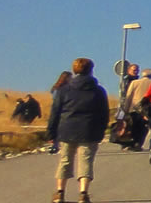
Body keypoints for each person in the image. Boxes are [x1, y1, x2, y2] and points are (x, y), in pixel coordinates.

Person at [47, 58, 109, 203]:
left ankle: (60, 193)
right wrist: (101, 131)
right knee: (86, 162)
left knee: (65, 160)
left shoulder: (64, 90)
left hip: (66, 130)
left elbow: (55, 112)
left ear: (74, 70)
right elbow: (104, 114)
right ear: (91, 70)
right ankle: (83, 194)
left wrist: (51, 132)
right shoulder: (98, 91)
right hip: (89, 131)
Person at [123, 67, 151, 152]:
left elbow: (128, 97)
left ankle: (133, 142)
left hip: (134, 108)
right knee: (143, 128)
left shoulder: (134, 83)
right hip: (147, 109)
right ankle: (139, 143)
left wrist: (125, 109)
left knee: (134, 126)